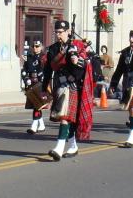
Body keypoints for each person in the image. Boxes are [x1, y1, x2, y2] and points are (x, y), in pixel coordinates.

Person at [42, 20, 93, 161]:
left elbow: (84, 66)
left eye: (61, 32)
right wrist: (43, 88)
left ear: (68, 32)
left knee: (64, 117)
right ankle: (73, 146)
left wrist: (77, 60)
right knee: (66, 118)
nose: (58, 35)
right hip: (59, 86)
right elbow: (48, 70)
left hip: (72, 87)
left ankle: (58, 148)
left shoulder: (75, 47)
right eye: (57, 32)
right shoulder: (52, 49)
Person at [21, 40, 47, 134]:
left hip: (40, 82)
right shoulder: (29, 57)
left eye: (37, 46)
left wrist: (42, 81)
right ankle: (42, 125)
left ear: (41, 47)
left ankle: (34, 126)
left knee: (37, 105)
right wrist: (26, 79)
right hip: (30, 82)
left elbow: (46, 70)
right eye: (34, 46)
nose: (35, 48)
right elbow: (24, 70)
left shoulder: (44, 57)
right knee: (35, 105)